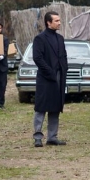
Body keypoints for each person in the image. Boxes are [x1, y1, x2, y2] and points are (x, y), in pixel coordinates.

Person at [32, 11, 68, 147]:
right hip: (45, 78)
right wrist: (50, 72)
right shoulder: (40, 39)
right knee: (41, 107)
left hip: (59, 77)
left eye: (59, 20)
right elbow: (38, 58)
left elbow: (63, 56)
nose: (59, 22)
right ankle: (38, 137)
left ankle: (52, 136)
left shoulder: (60, 38)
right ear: (49, 22)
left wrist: (64, 69)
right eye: (56, 20)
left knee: (55, 107)